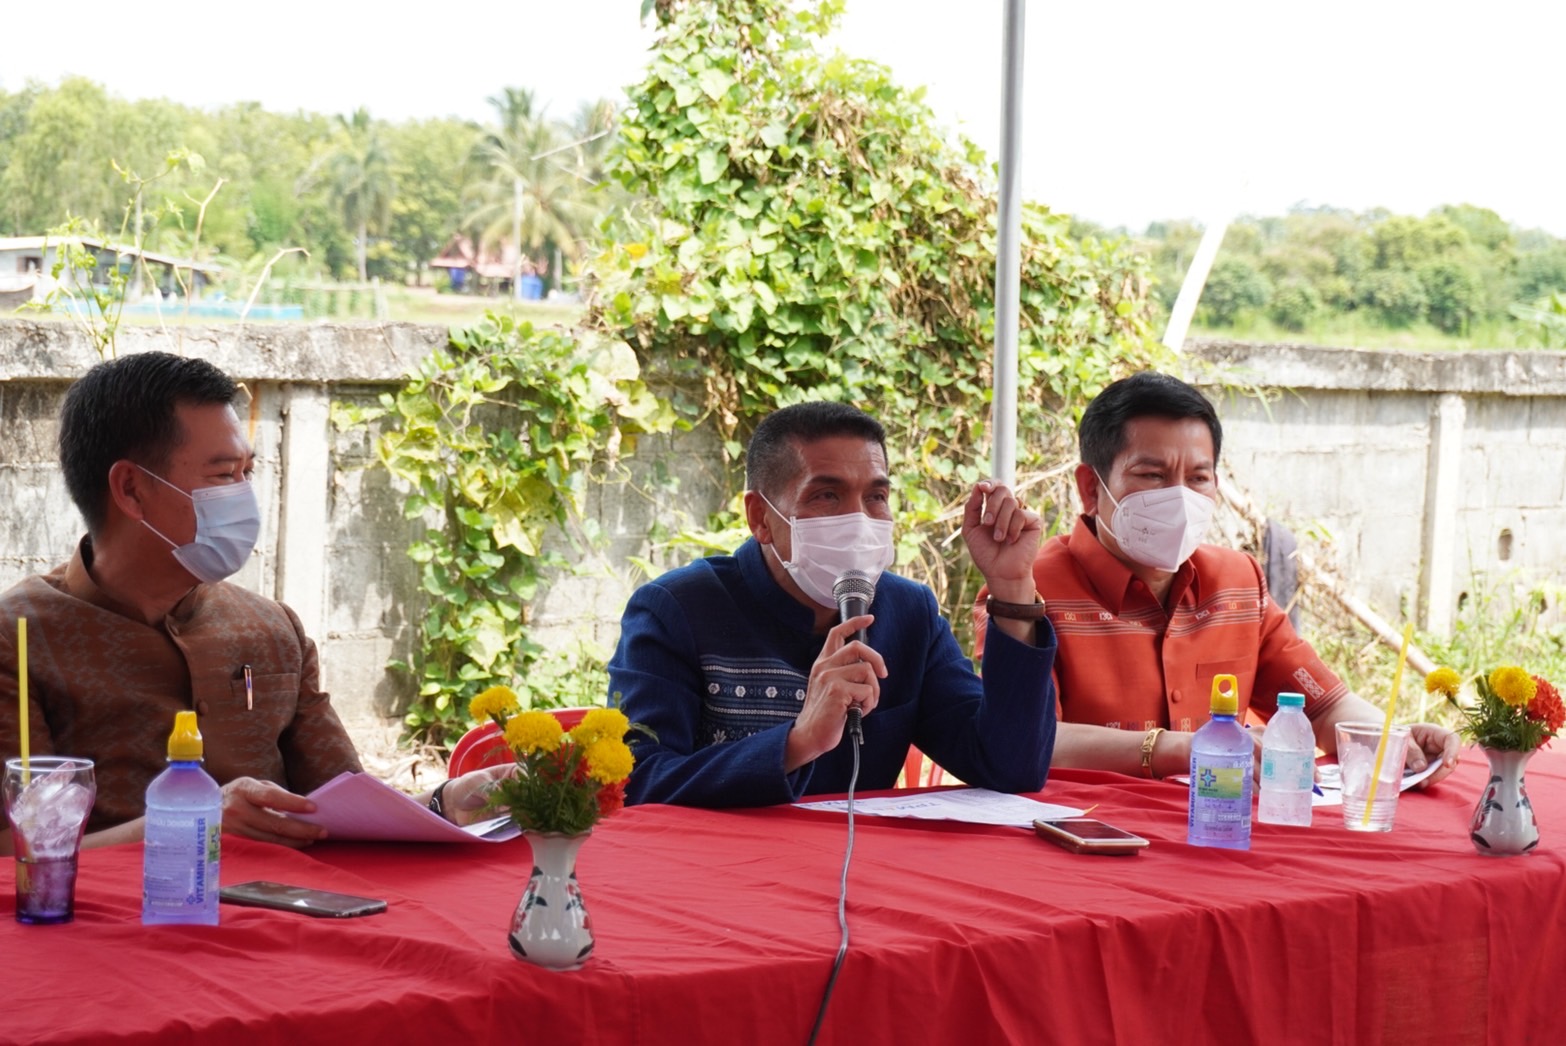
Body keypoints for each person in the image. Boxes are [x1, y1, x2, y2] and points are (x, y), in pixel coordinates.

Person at [0, 352, 498, 855]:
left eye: (248, 472)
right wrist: (191, 821)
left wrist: (448, 801)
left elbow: (342, 805)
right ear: (131, 490)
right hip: (115, 906)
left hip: (293, 901)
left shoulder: (272, 628)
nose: (244, 498)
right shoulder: (17, 639)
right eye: (223, 476)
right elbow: (12, 852)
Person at [978, 371, 1460, 783]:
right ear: (1090, 487)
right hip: (1088, 838)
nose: (1179, 497)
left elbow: (1323, 707)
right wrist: (1178, 749)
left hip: (1221, 832)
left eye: (1198, 478)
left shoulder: (1239, 582)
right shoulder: (1024, 591)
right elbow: (1028, 739)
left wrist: (1390, 739)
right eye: (1152, 476)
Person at [610, 401, 1058, 806]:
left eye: (876, 497)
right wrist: (797, 743)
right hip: (723, 866)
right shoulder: (678, 609)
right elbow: (637, 781)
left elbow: (1008, 767)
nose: (858, 520)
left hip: (863, 866)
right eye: (827, 495)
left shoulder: (909, 613)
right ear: (760, 517)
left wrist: (1012, 587)